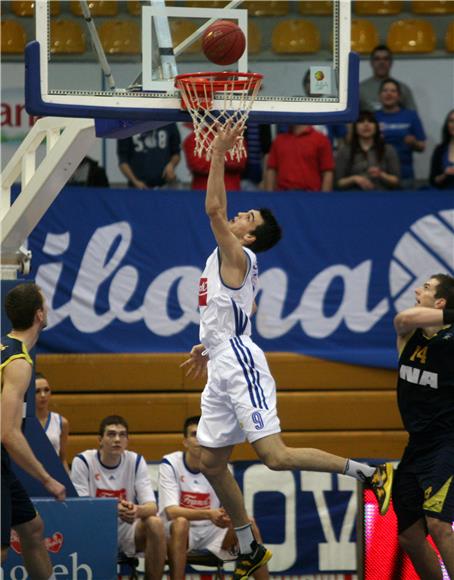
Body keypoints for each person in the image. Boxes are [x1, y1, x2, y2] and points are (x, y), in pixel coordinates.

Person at [181, 124, 393, 579]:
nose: (238, 216)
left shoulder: (236, 253)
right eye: (244, 213)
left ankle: (371, 475)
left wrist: (218, 152)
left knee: (275, 457)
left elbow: (213, 206)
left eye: (248, 218)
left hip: (239, 362)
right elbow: (238, 307)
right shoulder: (231, 260)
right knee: (209, 460)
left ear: (250, 237)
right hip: (221, 357)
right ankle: (249, 544)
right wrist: (208, 342)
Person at [1, 282, 66, 575]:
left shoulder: (5, 348)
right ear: (39, 315)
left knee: (32, 528)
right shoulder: (18, 363)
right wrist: (46, 478)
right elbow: (8, 433)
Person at [392, 274, 454, 579]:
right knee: (409, 536)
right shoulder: (408, 333)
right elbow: (404, 317)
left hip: (448, 443)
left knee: (439, 524)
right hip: (416, 445)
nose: (418, 290)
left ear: (440, 302)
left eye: (426, 288)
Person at [159, 415, 269, 579]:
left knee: (249, 523)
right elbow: (171, 512)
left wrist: (226, 516)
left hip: (213, 532)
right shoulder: (170, 463)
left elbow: (228, 510)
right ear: (185, 441)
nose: (198, 439)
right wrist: (209, 513)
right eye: (194, 434)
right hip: (180, 533)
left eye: (202, 434)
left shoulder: (222, 467)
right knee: (180, 523)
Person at [71, 415, 166, 580]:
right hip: (94, 528)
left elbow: (152, 507)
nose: (117, 439)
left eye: (122, 435)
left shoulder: (135, 461)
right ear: (100, 439)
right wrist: (113, 509)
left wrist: (136, 510)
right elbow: (81, 508)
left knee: (155, 523)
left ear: (127, 440)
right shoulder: (83, 461)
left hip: (127, 529)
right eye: (111, 434)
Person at [375, 78, 426, 189]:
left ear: (399, 96)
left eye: (393, 91)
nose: (389, 94)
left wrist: (413, 142)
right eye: (385, 90)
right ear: (379, 96)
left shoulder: (411, 116)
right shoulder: (373, 118)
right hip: (380, 172)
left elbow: (422, 147)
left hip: (405, 173)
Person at [335, 110, 400, 191]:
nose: (366, 124)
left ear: (376, 126)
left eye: (371, 121)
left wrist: (381, 174)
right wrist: (354, 179)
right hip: (353, 198)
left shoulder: (388, 149)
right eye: (361, 122)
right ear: (355, 127)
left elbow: (396, 181)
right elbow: (338, 183)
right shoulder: (345, 151)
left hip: (382, 197)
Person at [265, 124, 334, 191]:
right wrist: (269, 198)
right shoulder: (278, 141)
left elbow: (327, 172)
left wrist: (324, 199)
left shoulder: (321, 140)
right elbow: (271, 170)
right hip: (283, 195)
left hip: (311, 196)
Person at [117, 124, 181, 189]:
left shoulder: (168, 122)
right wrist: (135, 181)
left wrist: (171, 165)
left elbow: (176, 153)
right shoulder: (128, 124)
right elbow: (123, 160)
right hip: (137, 188)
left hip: (164, 185)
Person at [359, 44, 417, 113]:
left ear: (391, 62)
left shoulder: (403, 88)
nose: (381, 62)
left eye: (386, 59)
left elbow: (412, 116)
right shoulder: (360, 89)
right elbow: (352, 120)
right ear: (371, 62)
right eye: (377, 59)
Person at [35, 372, 70, 473]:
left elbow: (62, 459)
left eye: (46, 390)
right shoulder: (21, 421)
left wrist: (68, 482)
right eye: (37, 391)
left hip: (53, 476)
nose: (43, 395)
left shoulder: (61, 422)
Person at [429, 109, 454, 190]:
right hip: (444, 196)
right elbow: (433, 181)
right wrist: (444, 175)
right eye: (451, 121)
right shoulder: (440, 150)